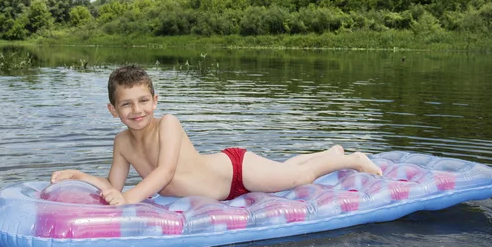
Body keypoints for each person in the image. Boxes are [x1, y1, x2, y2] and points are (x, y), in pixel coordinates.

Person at [51, 65, 383, 205]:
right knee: (286, 169)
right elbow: (115, 187)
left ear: (155, 101)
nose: (136, 111)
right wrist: (80, 175)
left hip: (236, 171)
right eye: (126, 105)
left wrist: (129, 201)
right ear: (114, 111)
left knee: (299, 177)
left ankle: (350, 159)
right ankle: (330, 152)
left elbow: (164, 173)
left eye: (143, 101)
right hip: (222, 191)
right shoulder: (122, 143)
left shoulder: (169, 123)